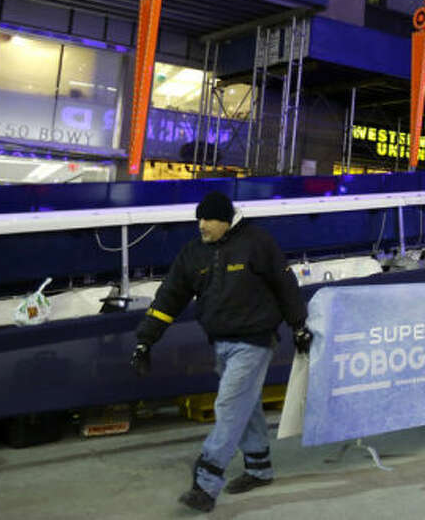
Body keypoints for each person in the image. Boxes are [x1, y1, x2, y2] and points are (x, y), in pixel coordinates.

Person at [130, 191, 311, 513]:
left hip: (254, 341)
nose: (202, 225)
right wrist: (146, 340)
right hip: (221, 343)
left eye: (209, 219)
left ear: (226, 221)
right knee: (246, 404)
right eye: (199, 219)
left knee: (229, 405)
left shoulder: (257, 242)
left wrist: (298, 326)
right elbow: (169, 297)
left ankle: (206, 481)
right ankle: (259, 468)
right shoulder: (193, 254)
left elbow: (286, 286)